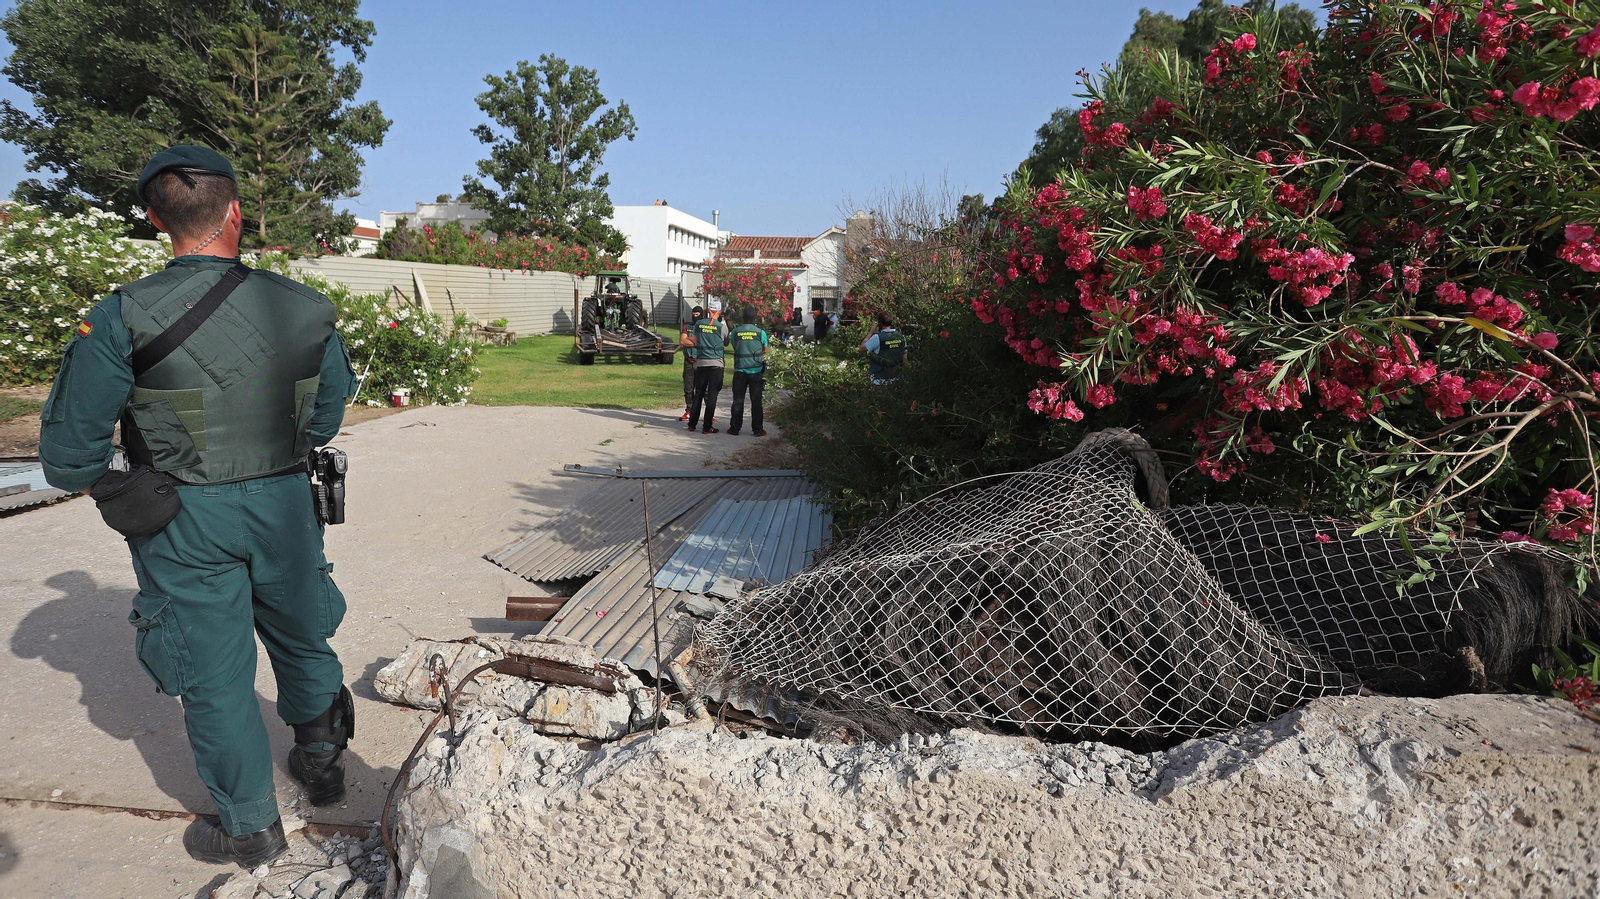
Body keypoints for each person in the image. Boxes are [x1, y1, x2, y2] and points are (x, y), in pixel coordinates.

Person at [37, 146, 360, 869]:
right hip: (284, 502)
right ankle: (323, 762)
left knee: (215, 676)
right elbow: (328, 414)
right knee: (303, 634)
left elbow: (68, 456)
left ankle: (250, 828)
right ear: (236, 211)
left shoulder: (120, 317)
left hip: (183, 516)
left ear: (156, 219)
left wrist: (122, 492)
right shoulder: (306, 308)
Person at [682, 299, 729, 433]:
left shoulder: (699, 325)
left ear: (708, 311)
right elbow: (726, 342)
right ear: (719, 312)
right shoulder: (722, 327)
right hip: (716, 364)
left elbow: (696, 338)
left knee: (698, 394)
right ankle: (707, 426)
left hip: (701, 363)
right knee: (712, 395)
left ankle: (692, 424)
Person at [727, 305, 769, 437]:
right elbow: (765, 350)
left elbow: (734, 345)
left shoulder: (735, 332)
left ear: (742, 317)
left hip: (740, 370)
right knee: (756, 401)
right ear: (755, 317)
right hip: (756, 371)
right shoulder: (760, 332)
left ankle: (734, 428)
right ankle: (757, 429)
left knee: (738, 400)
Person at [862, 311, 908, 385]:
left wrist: (870, 332)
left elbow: (862, 348)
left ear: (879, 323)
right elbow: (905, 359)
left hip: (879, 380)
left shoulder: (877, 338)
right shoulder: (901, 337)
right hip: (896, 378)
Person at [678, 304, 702, 421]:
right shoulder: (687, 327)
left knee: (703, 389)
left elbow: (704, 341)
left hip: (701, 361)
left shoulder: (704, 327)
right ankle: (689, 410)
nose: (695, 317)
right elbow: (682, 341)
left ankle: (708, 413)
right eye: (693, 315)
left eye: (697, 315)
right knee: (688, 388)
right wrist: (696, 342)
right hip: (688, 361)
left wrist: (690, 340)